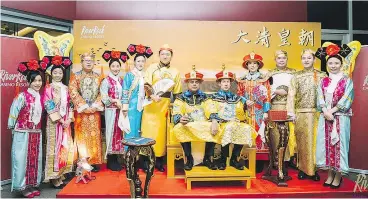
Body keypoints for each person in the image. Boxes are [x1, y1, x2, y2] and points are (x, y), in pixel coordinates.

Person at [315, 44, 354, 188]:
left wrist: (332, 111)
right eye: (330, 63)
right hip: (325, 117)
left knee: (339, 145)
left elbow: (347, 98)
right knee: (327, 146)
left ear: (341, 64)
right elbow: (320, 97)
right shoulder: (323, 80)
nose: (333, 66)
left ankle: (338, 176)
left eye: (336, 63)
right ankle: (330, 174)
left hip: (340, 117)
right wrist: (325, 111)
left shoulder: (346, 80)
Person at [287, 49, 327, 181]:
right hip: (301, 113)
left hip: (317, 114)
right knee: (302, 142)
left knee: (315, 142)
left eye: (309, 58)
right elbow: (291, 95)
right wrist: (291, 112)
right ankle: (302, 168)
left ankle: (314, 169)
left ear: (314, 60)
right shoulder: (296, 76)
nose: (306, 60)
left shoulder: (322, 75)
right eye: (304, 58)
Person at [141, 44, 182, 172]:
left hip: (164, 104)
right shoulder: (151, 68)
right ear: (159, 55)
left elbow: (177, 93)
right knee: (148, 132)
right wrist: (152, 95)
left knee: (161, 133)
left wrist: (177, 109)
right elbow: (146, 84)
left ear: (171, 56)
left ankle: (159, 161)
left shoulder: (175, 72)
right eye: (163, 54)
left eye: (168, 54)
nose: (165, 56)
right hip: (150, 104)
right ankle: (146, 161)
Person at [8, 59, 46, 197]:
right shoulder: (22, 96)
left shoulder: (41, 98)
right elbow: (14, 112)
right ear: (28, 81)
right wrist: (12, 127)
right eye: (34, 81)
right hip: (23, 133)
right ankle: (22, 187)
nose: (37, 83)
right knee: (21, 160)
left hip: (36, 133)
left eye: (39, 81)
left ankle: (31, 184)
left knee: (34, 160)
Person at [208, 66, 257, 170]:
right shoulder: (214, 97)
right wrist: (216, 120)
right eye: (224, 81)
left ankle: (235, 158)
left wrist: (240, 114)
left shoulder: (236, 97)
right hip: (221, 122)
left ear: (230, 84)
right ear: (219, 83)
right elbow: (211, 109)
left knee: (245, 128)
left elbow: (240, 109)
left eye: (228, 82)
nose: (226, 84)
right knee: (228, 128)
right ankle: (223, 159)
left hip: (234, 121)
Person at [172, 65, 218, 171]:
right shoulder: (181, 98)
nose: (194, 84)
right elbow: (177, 110)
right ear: (187, 83)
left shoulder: (206, 97)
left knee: (215, 126)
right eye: (191, 82)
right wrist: (179, 118)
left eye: (196, 82)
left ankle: (207, 158)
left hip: (202, 123)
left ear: (200, 84)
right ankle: (189, 158)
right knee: (179, 127)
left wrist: (215, 120)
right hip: (188, 124)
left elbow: (211, 108)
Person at [42, 56, 75, 188]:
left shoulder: (66, 88)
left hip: (65, 122)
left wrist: (68, 119)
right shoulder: (48, 87)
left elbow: (71, 104)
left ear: (63, 74)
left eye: (60, 73)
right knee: (54, 147)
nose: (57, 75)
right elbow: (48, 103)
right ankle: (53, 177)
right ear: (51, 73)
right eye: (55, 73)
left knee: (64, 147)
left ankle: (61, 173)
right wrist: (60, 120)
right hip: (54, 122)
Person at [69, 52, 104, 172]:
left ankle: (95, 160)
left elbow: (102, 92)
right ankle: (83, 161)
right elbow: (73, 91)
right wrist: (84, 106)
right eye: (86, 60)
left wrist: (95, 105)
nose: (88, 62)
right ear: (82, 62)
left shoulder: (98, 76)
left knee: (94, 135)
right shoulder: (76, 76)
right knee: (82, 137)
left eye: (91, 60)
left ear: (94, 62)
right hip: (81, 113)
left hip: (95, 111)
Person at [237, 52, 271, 172]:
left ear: (258, 65)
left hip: (259, 111)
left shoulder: (263, 79)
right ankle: (246, 159)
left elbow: (267, 95)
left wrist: (266, 111)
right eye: (249, 63)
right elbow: (239, 94)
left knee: (259, 134)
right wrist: (245, 101)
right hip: (247, 111)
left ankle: (259, 162)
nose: (252, 65)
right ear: (247, 65)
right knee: (247, 133)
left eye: (254, 63)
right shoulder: (242, 80)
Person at [265, 50, 296, 178]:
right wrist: (276, 91)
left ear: (287, 59)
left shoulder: (294, 73)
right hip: (274, 106)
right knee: (274, 133)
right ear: (275, 60)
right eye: (279, 58)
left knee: (288, 134)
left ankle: (286, 162)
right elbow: (265, 90)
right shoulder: (269, 74)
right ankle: (275, 161)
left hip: (289, 106)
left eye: (284, 58)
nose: (281, 60)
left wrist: (287, 91)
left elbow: (296, 88)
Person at [100, 50, 129, 171]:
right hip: (111, 111)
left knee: (120, 132)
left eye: (118, 66)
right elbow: (104, 97)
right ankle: (111, 160)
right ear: (109, 67)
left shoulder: (122, 80)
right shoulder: (106, 81)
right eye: (113, 66)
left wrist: (123, 104)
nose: (116, 68)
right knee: (111, 133)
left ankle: (118, 158)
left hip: (121, 110)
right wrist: (114, 101)